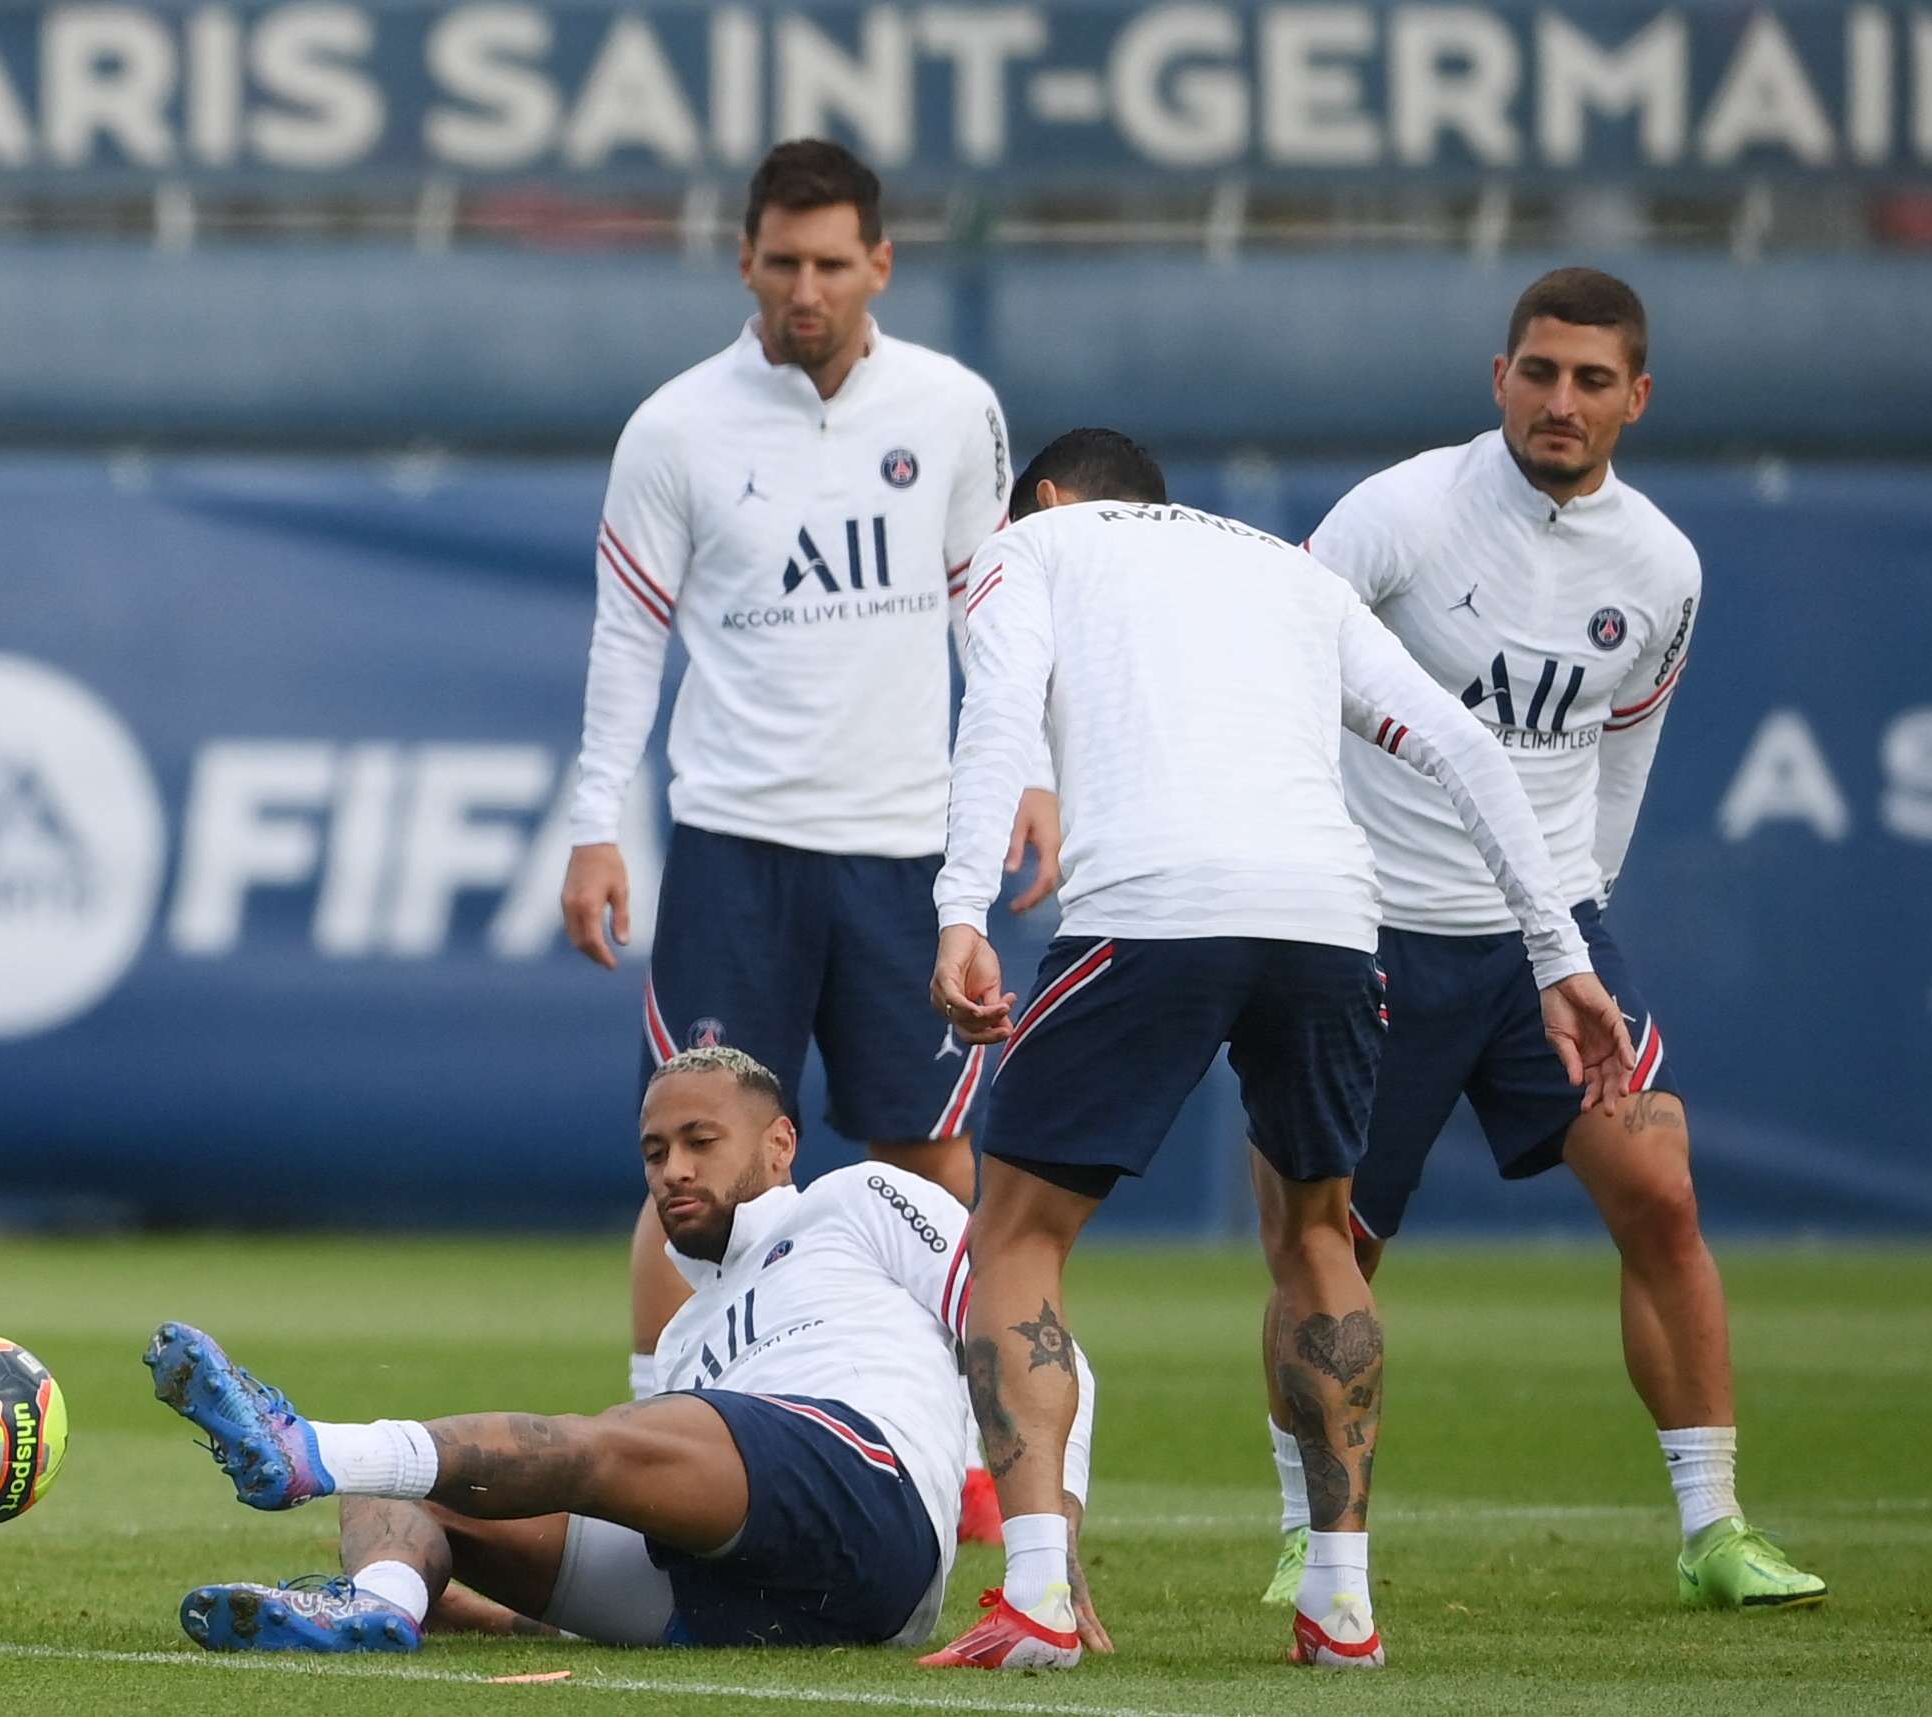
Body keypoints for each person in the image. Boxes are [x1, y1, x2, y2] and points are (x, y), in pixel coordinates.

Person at [920, 430, 1634, 1673]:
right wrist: (1559, 955)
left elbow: (996, 718)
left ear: (1041, 495)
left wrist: (961, 911)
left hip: (1150, 907)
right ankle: (1341, 1606)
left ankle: (1034, 1594)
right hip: (1330, 920)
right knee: (1318, 1233)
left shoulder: (1026, 548)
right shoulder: (1289, 572)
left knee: (1018, 1234)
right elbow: (1466, 747)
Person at [1253, 268, 1827, 1614]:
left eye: (1590, 379)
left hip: (1543, 943)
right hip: (1373, 932)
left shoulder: (1663, 566)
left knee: (1661, 1190)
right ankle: (1307, 1528)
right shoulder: (1397, 517)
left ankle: (1714, 1528)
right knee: (1331, 1250)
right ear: (1498, 376)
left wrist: (1577, 912)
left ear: (1638, 396)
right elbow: (1276, 682)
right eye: (1539, 372)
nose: (1560, 400)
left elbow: (1624, 752)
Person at [557, 140, 1055, 1540]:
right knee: (692, 1160)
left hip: (903, 853)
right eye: (783, 262)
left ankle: (962, 1453)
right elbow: (626, 637)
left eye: (835, 262)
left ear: (881, 264)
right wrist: (597, 823)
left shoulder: (954, 409)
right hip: (734, 847)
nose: (808, 288)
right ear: (746, 263)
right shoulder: (677, 428)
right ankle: (661, 1426)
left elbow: (995, 614)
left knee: (929, 1163)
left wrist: (1038, 772)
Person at [148, 1046, 1104, 1656]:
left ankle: (303, 1448)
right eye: (654, 1151)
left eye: (700, 1140)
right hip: (764, 1602)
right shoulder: (688, 1332)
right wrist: (474, 1604)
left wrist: (1045, 1547)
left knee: (602, 1445)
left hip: (870, 1493)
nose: (673, 1169)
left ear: (779, 1145)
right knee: (408, 1485)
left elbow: (1040, 1344)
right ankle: (383, 1607)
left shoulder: (855, 1201)